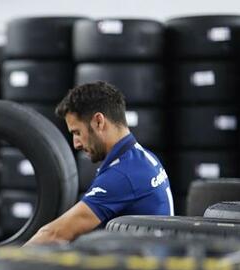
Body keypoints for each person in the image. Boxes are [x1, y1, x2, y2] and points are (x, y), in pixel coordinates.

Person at [26, 81, 173, 245]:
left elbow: (55, 234)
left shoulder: (122, 175)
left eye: (77, 132)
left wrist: (2, 265)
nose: (76, 144)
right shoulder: (142, 158)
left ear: (98, 121)